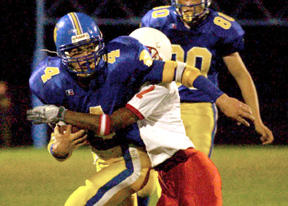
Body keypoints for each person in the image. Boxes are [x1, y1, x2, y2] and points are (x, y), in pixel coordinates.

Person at [27, 13, 253, 205]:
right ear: (61, 54)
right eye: (75, 52)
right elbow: (62, 140)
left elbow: (180, 72)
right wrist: (58, 149)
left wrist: (221, 98)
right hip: (111, 161)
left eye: (88, 48)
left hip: (136, 158)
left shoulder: (136, 71)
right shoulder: (51, 81)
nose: (85, 58)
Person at [140, 0, 274, 157]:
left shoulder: (221, 28)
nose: (188, 5)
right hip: (160, 102)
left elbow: (241, 75)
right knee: (152, 167)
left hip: (199, 104)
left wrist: (257, 119)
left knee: (196, 167)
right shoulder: (157, 21)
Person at [0, 81, 12, 147]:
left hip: (4, 116)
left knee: (5, 131)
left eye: (3, 87)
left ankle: (6, 145)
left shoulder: (6, 96)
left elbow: (7, 104)